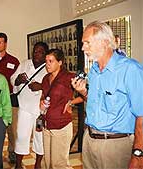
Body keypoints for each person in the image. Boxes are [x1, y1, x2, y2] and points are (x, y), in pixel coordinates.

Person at [71, 21, 143, 169]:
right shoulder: (94, 70)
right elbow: (95, 102)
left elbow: (141, 115)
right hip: (89, 140)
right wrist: (83, 92)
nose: (83, 48)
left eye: (87, 43)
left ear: (104, 42)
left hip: (115, 145)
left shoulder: (130, 69)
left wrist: (138, 154)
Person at [40, 49, 83, 169]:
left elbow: (85, 94)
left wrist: (71, 102)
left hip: (61, 125)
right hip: (47, 125)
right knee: (47, 163)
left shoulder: (69, 77)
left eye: (51, 61)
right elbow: (43, 95)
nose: (47, 64)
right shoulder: (45, 78)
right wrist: (41, 102)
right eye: (46, 61)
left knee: (59, 164)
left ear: (60, 62)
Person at [10, 42, 49, 169]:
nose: (37, 54)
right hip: (24, 108)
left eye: (41, 52)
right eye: (35, 51)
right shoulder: (25, 64)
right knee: (21, 136)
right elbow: (13, 78)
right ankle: (18, 164)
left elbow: (53, 85)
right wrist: (18, 80)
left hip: (40, 112)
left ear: (45, 54)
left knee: (39, 137)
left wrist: (41, 86)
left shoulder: (48, 67)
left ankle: (37, 164)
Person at [0, 32, 20, 163]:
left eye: (1, 42)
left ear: (6, 43)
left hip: (10, 100)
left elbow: (18, 82)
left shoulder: (14, 61)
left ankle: (12, 152)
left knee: (12, 130)